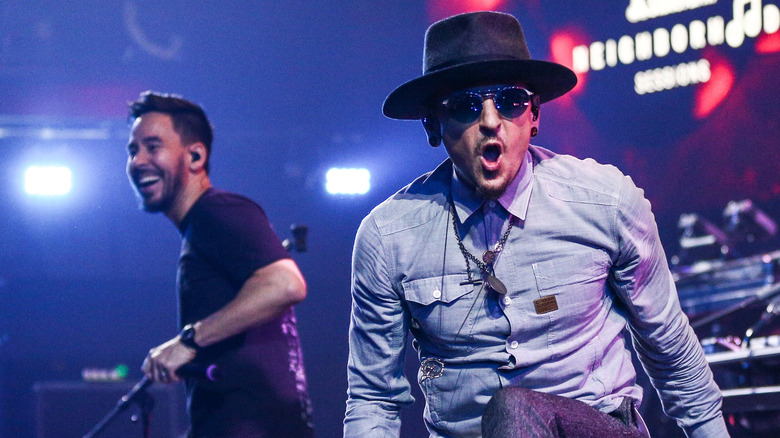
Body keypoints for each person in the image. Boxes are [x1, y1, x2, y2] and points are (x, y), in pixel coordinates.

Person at [344, 11, 728, 438]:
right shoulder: (388, 237)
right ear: (433, 125)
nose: (491, 121)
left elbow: (670, 349)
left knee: (513, 407)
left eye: (509, 101)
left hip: (597, 426)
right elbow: (373, 398)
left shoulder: (605, 201)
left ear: (534, 114)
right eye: (466, 106)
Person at [126, 91, 314, 437]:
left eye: (153, 147)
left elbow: (285, 283)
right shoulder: (201, 226)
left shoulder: (217, 212)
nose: (138, 161)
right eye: (133, 150)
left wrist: (187, 342)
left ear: (195, 154)